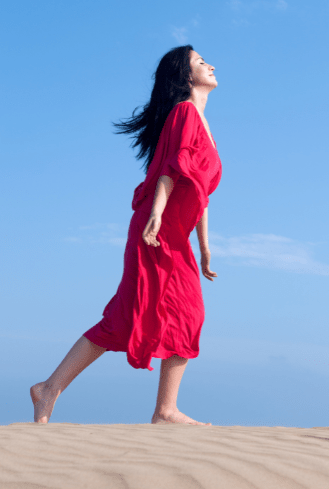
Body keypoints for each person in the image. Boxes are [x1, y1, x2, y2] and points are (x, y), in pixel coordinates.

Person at [30, 45, 222, 425]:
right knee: (180, 313)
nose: (211, 64)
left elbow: (198, 193)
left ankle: (50, 388)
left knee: (138, 315)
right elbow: (171, 169)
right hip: (156, 231)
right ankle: (163, 410)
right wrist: (155, 213)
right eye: (201, 62)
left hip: (173, 233)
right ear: (185, 77)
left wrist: (203, 245)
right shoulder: (184, 113)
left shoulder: (202, 122)